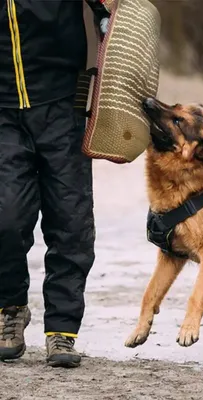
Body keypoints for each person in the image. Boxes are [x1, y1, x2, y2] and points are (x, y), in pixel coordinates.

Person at [0, 0, 110, 368]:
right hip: (2, 113)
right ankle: (10, 308)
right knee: (6, 218)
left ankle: (62, 331)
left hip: (62, 104)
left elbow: (113, 8)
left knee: (71, 222)